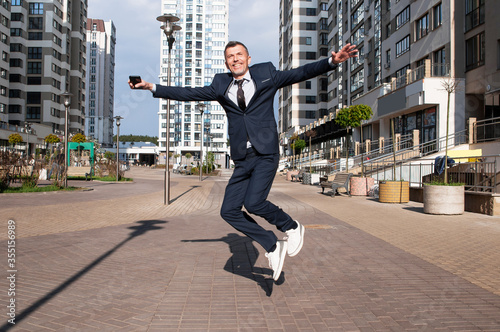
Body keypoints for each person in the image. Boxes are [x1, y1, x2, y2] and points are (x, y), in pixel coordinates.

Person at [129, 41, 358, 281]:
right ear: (226, 62)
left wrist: (332, 62)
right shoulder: (220, 84)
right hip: (242, 157)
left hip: (265, 153)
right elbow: (188, 93)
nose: (235, 59)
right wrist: (150, 87)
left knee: (254, 203)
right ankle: (271, 245)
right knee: (228, 211)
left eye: (239, 55)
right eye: (230, 56)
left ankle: (291, 226)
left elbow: (299, 73)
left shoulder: (266, 73)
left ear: (249, 58)